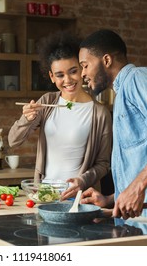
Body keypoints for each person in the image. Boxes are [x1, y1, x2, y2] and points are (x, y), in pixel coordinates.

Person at [79, 29, 147, 226]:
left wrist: (135, 188)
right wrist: (110, 199)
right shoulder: (122, 94)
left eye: (85, 65)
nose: (82, 74)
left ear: (106, 60)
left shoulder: (139, 78)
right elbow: (142, 161)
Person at [8, 31, 113, 199]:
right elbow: (13, 141)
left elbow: (103, 164)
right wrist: (26, 119)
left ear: (82, 70)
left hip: (78, 196)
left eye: (73, 71)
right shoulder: (46, 102)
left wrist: (82, 180)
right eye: (59, 75)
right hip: (44, 194)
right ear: (51, 77)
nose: (68, 80)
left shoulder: (100, 113)